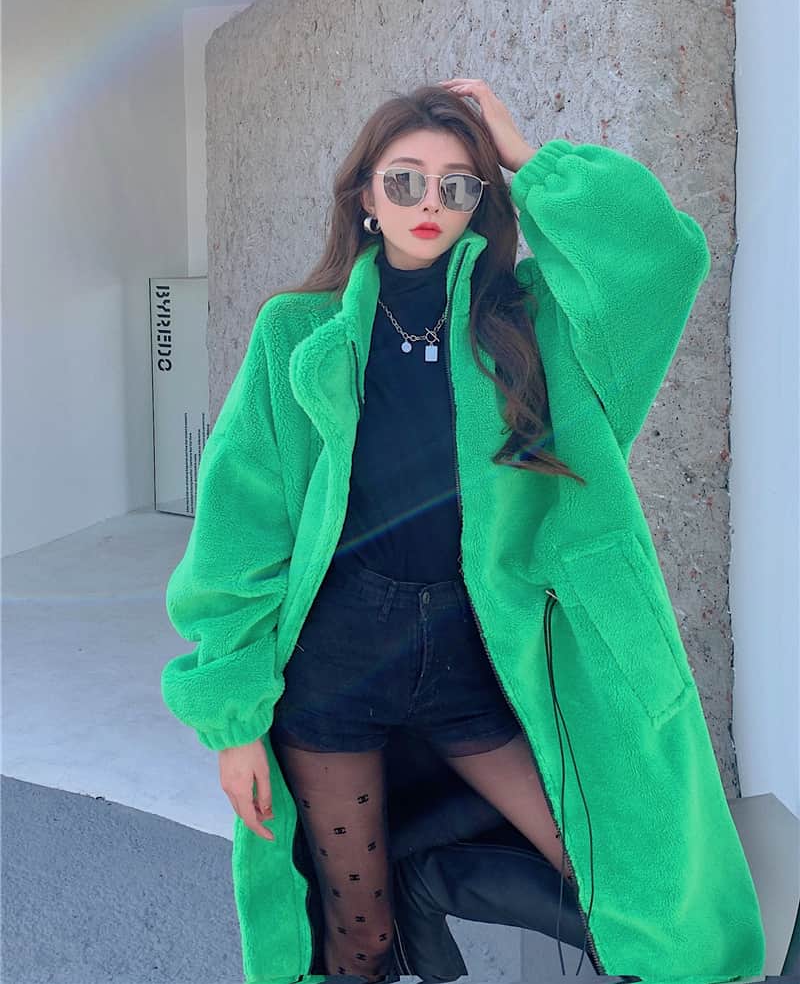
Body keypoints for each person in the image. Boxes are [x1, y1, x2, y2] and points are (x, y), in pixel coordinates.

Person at [162, 80, 766, 984]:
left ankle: (429, 872)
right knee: (355, 940)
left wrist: (527, 158)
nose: (430, 203)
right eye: (404, 180)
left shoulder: (527, 325)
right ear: (365, 197)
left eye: (458, 184)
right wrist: (234, 722)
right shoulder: (298, 332)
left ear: (483, 201)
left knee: (612, 875)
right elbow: (241, 531)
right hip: (336, 664)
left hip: (477, 649)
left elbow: (662, 263)